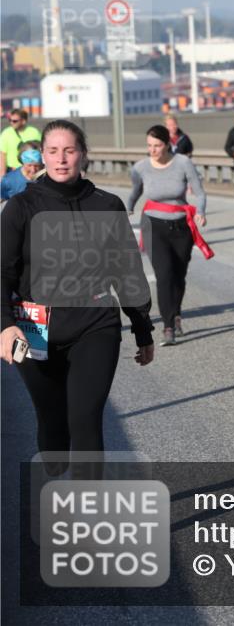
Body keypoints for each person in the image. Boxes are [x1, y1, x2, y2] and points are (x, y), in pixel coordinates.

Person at [1, 120, 154, 466]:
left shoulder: (107, 205)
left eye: (69, 150)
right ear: (42, 155)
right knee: (53, 429)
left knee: (85, 419)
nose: (61, 159)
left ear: (83, 155)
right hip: (34, 329)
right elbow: (3, 273)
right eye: (53, 151)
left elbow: (126, 271)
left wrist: (142, 327)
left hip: (94, 323)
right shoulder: (21, 208)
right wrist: (4, 324)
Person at [128, 124, 211, 346]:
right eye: (149, 146)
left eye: (157, 146)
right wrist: (128, 207)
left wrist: (200, 212)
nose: (152, 150)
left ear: (167, 145)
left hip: (181, 227)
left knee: (178, 276)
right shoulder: (140, 167)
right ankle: (168, 327)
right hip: (154, 226)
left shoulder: (183, 163)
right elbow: (135, 191)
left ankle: (176, 313)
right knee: (164, 276)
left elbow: (200, 192)